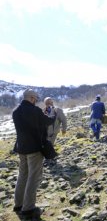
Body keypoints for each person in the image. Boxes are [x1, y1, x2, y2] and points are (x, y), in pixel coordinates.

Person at [12, 89, 55, 219]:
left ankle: (18, 205)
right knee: (33, 177)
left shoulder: (16, 111)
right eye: (35, 98)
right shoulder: (35, 111)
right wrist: (53, 113)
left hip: (21, 148)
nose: (36, 101)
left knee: (22, 176)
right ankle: (28, 208)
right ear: (31, 98)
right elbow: (48, 121)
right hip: (34, 149)